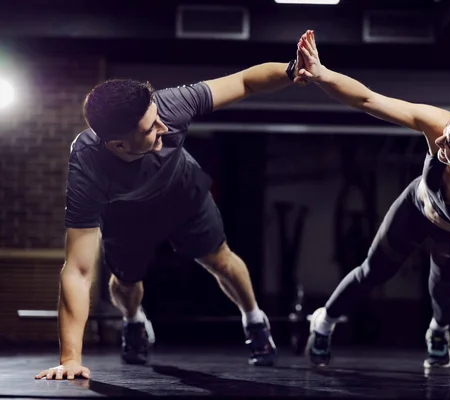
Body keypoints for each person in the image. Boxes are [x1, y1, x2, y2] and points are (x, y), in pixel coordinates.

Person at [35, 51, 308, 380]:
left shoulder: (170, 105)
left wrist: (292, 70)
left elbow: (245, 81)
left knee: (220, 260)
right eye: (151, 128)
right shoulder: (87, 166)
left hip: (183, 195)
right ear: (118, 145)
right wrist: (70, 358)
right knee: (124, 282)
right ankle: (134, 321)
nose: (164, 126)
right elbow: (78, 270)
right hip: (126, 218)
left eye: (158, 116)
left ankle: (254, 320)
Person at [296, 30, 450, 385]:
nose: (439, 141)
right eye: (446, 133)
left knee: (444, 293)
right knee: (371, 272)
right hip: (416, 208)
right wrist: (322, 73)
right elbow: (367, 100)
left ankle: (437, 330)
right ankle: (324, 321)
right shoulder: (440, 124)